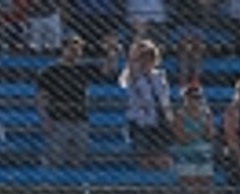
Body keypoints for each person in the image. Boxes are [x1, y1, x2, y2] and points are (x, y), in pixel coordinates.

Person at [36, 33, 120, 168]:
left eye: (78, 49)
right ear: (63, 49)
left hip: (80, 117)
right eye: (71, 49)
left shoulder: (83, 68)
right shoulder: (50, 71)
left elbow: (107, 70)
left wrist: (112, 51)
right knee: (56, 159)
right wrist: (45, 119)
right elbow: (41, 98)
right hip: (58, 118)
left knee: (79, 159)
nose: (75, 52)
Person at [120, 38, 173, 171]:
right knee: (144, 158)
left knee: (163, 159)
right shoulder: (133, 76)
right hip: (140, 121)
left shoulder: (159, 76)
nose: (146, 61)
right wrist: (137, 49)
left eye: (150, 57)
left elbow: (164, 98)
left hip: (159, 120)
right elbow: (130, 67)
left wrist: (169, 117)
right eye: (143, 57)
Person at [171, 84, 215, 194]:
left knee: (205, 181)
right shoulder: (179, 114)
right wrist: (198, 134)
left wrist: (193, 134)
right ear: (186, 98)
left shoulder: (206, 113)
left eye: (198, 97)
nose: (195, 100)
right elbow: (181, 138)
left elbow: (210, 135)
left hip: (202, 150)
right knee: (188, 180)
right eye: (192, 97)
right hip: (186, 151)